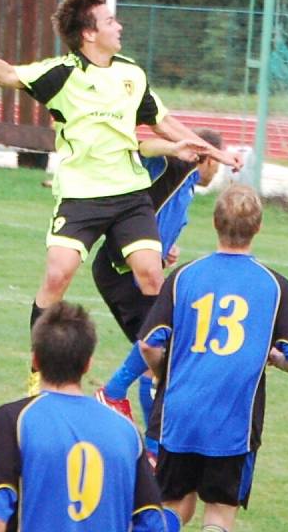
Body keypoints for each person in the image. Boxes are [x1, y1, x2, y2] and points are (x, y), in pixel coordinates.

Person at [0, 0, 241, 393]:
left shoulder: (130, 74)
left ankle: (166, 369)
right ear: (89, 34)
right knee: (58, 274)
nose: (118, 25)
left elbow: (163, 122)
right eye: (110, 21)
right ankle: (39, 370)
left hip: (128, 196)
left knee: (151, 275)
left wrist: (213, 151)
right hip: (81, 195)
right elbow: (9, 74)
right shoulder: (61, 74)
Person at [139, 184, 288, 532]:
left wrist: (161, 375)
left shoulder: (185, 276)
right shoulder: (274, 285)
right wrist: (276, 359)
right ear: (258, 228)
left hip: (180, 411)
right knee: (219, 512)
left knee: (174, 504)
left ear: (215, 222)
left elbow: (149, 344)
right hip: (234, 419)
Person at [0, 301, 180, 532]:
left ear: (35, 360)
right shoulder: (125, 431)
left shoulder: (14, 421)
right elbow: (151, 523)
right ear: (87, 364)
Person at [93, 128, 224, 451]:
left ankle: (152, 444)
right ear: (206, 158)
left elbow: (151, 220)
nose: (218, 171)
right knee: (162, 346)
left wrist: (163, 250)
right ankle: (121, 403)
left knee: (159, 354)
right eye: (216, 163)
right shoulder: (176, 168)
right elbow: (141, 149)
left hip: (128, 270)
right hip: (122, 271)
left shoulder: (187, 189)